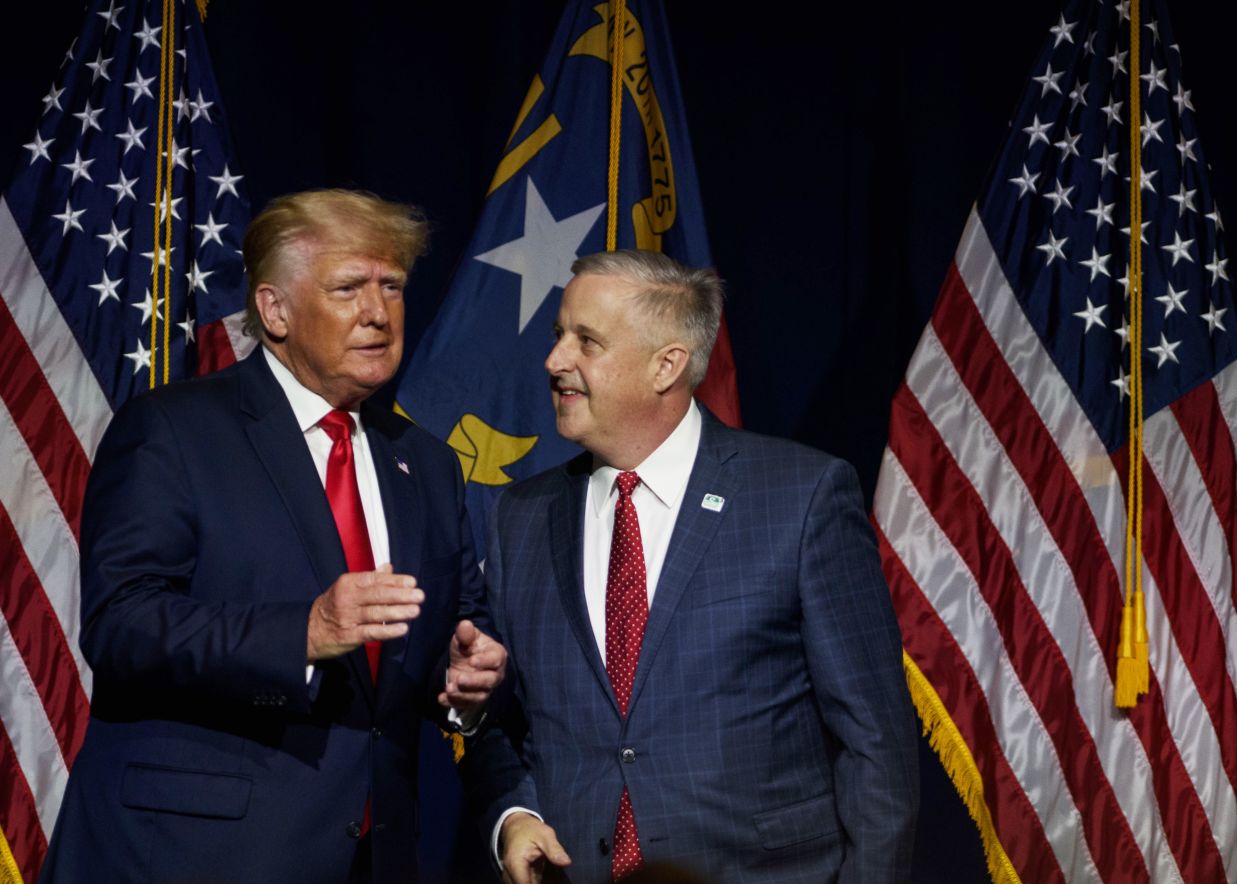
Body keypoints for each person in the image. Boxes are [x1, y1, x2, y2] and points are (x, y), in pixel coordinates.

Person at [40, 189, 505, 883]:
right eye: (349, 288)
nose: (378, 313)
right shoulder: (174, 431)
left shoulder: (426, 463)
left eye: (393, 287)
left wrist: (461, 678)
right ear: (274, 309)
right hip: (195, 857)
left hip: (374, 859)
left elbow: (444, 633)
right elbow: (123, 624)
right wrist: (304, 634)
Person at [468, 250, 920, 883]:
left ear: (667, 365)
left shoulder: (800, 497)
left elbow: (877, 746)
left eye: (586, 341)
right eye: (558, 336)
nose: (555, 361)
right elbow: (498, 724)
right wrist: (513, 816)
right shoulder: (521, 517)